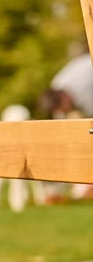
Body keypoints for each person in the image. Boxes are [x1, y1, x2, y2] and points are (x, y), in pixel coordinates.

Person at [39, 52, 93, 201]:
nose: (62, 112)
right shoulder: (57, 87)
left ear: (64, 98)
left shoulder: (86, 92)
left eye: (62, 109)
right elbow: (63, 128)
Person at [0, 104, 46, 212]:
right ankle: (7, 202)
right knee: (1, 177)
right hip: (8, 149)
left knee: (26, 175)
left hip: (21, 148)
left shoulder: (22, 124)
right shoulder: (5, 138)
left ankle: (23, 201)